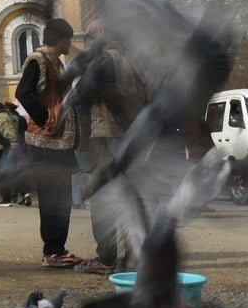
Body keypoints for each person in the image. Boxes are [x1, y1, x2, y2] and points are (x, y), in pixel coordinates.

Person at [75, 19, 149, 273]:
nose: (89, 41)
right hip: (133, 139)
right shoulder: (136, 62)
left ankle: (106, 258)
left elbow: (85, 94)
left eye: (91, 37)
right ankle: (131, 258)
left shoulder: (103, 60)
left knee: (103, 199)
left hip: (105, 136)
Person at [15, 18, 85, 269]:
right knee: (54, 198)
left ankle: (55, 249)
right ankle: (53, 251)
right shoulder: (39, 60)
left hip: (58, 143)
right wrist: (45, 118)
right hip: (47, 143)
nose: (70, 44)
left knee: (60, 197)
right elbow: (22, 93)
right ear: (62, 39)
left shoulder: (54, 62)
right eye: (69, 39)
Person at [0, 102, 23, 206]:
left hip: (2, 149)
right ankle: (22, 194)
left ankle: (6, 199)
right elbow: (21, 132)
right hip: (16, 148)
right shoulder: (15, 118)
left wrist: (8, 144)